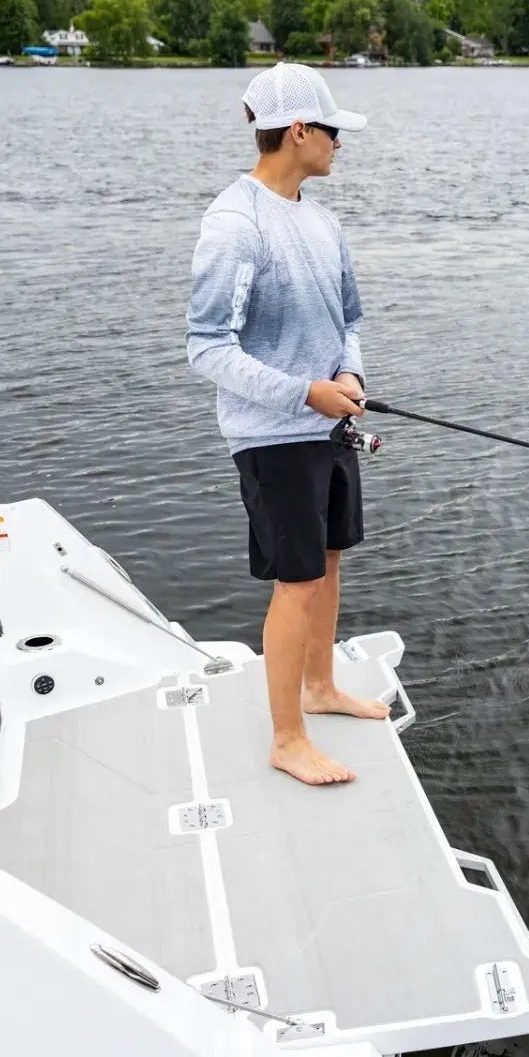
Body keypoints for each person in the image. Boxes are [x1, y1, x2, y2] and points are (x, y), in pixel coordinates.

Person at [185, 63, 388, 786]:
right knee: (296, 582)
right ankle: (286, 739)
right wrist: (306, 394)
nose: (340, 142)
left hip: (328, 425)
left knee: (330, 561)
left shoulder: (322, 220)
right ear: (298, 131)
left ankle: (321, 687)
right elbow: (207, 347)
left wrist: (350, 377)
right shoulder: (234, 224)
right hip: (273, 437)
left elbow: (350, 320)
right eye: (332, 130)